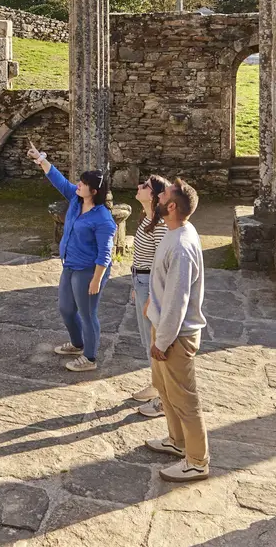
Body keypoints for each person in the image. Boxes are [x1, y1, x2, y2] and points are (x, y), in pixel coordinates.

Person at [28, 143, 114, 372]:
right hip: (70, 265)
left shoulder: (103, 219)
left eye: (84, 184)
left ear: (94, 191)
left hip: (89, 270)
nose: (79, 185)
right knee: (66, 309)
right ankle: (77, 344)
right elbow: (59, 180)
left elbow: (106, 253)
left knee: (87, 313)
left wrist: (97, 279)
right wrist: (40, 159)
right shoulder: (76, 201)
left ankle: (90, 358)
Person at [144, 178, 209, 482]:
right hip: (164, 328)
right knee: (165, 390)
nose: (158, 196)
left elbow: (178, 300)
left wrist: (164, 339)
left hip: (176, 336)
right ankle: (176, 441)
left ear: (171, 207)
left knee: (184, 398)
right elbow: (165, 288)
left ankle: (197, 461)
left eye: (164, 194)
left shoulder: (181, 245)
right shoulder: (176, 231)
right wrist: (151, 308)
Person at [127, 175, 170, 416]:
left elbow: (161, 263)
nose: (139, 187)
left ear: (154, 195)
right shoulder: (146, 218)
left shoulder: (160, 224)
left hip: (150, 284)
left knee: (155, 341)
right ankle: (156, 386)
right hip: (140, 279)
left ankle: (164, 398)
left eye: (145, 186)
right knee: (147, 340)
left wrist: (152, 297)